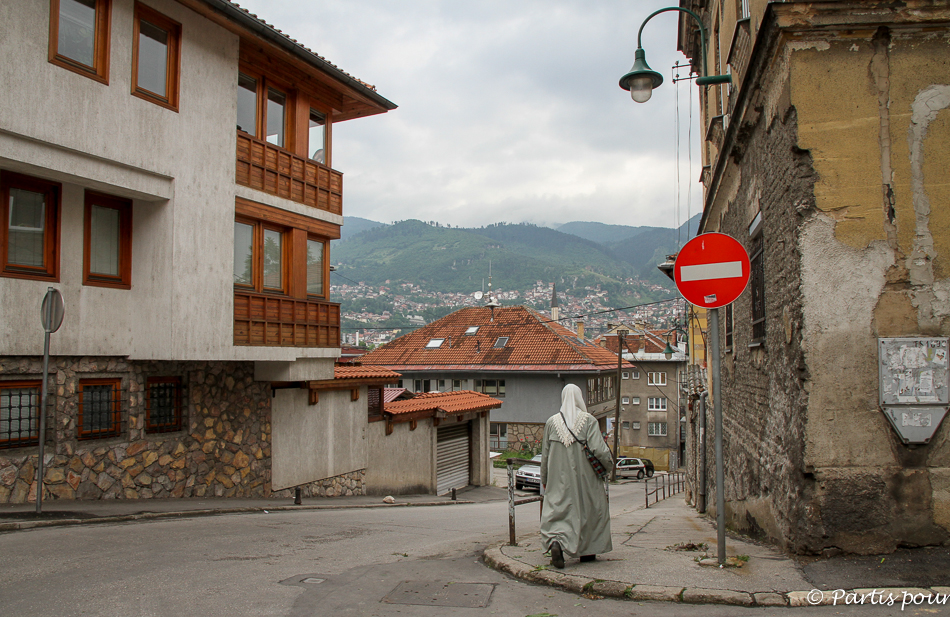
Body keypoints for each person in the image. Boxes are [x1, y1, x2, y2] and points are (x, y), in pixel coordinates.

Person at [540, 383, 613, 568]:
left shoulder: (551, 422)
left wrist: (545, 480)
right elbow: (598, 449)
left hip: (558, 479)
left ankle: (556, 542)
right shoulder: (588, 421)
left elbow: (545, 455)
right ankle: (588, 550)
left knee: (558, 511)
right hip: (585, 478)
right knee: (589, 510)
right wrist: (609, 466)